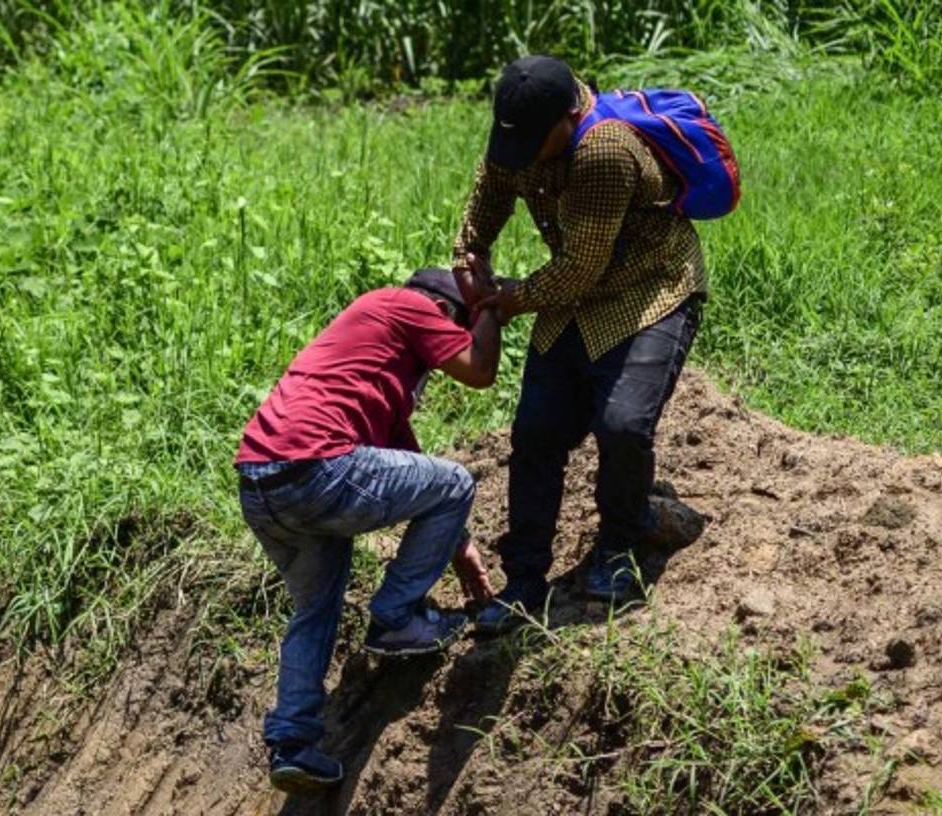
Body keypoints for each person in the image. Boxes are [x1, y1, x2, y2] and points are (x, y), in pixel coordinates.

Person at [452, 55, 706, 634]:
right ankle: (522, 579)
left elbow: (582, 266)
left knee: (621, 424)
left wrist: (510, 299)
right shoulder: (520, 138)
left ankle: (621, 547)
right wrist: (470, 258)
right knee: (536, 431)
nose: (519, 158)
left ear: (568, 118)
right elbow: (488, 199)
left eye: (533, 145)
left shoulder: (604, 151)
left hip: (650, 286)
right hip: (574, 297)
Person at [235, 267, 499, 793]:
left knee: (316, 606)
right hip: (313, 466)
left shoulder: (377, 365)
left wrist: (459, 546)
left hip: (260, 481)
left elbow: (412, 474)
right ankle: (397, 617)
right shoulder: (411, 305)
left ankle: (293, 743)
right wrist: (493, 307)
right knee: (457, 480)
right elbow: (480, 371)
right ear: (444, 315)